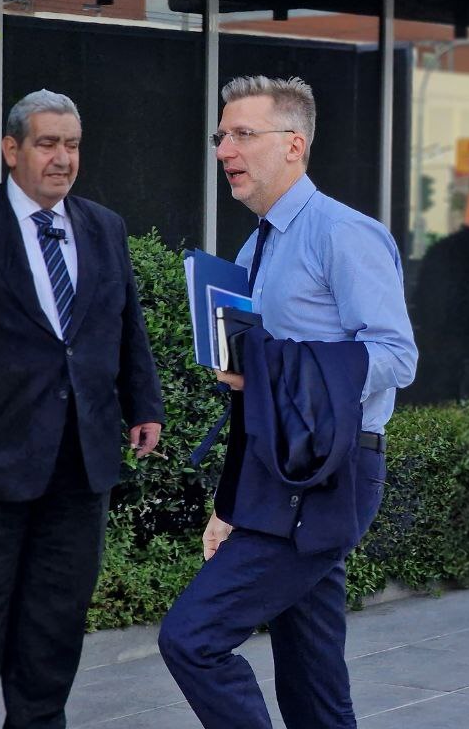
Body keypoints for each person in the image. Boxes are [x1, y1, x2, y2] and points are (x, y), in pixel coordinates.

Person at [159, 75, 417, 729]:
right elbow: (256, 393)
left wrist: (272, 368)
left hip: (332, 475)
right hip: (279, 472)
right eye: (221, 136)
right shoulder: (256, 246)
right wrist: (229, 505)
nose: (225, 150)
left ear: (294, 144)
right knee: (312, 676)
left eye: (243, 134)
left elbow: (396, 355)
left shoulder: (343, 233)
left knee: (192, 638)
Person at [0, 89, 165, 729]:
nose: (63, 158)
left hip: (79, 460)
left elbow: (124, 323)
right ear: (11, 149)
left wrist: (144, 404)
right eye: (48, 143)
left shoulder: (104, 227)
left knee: (54, 623)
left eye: (72, 145)